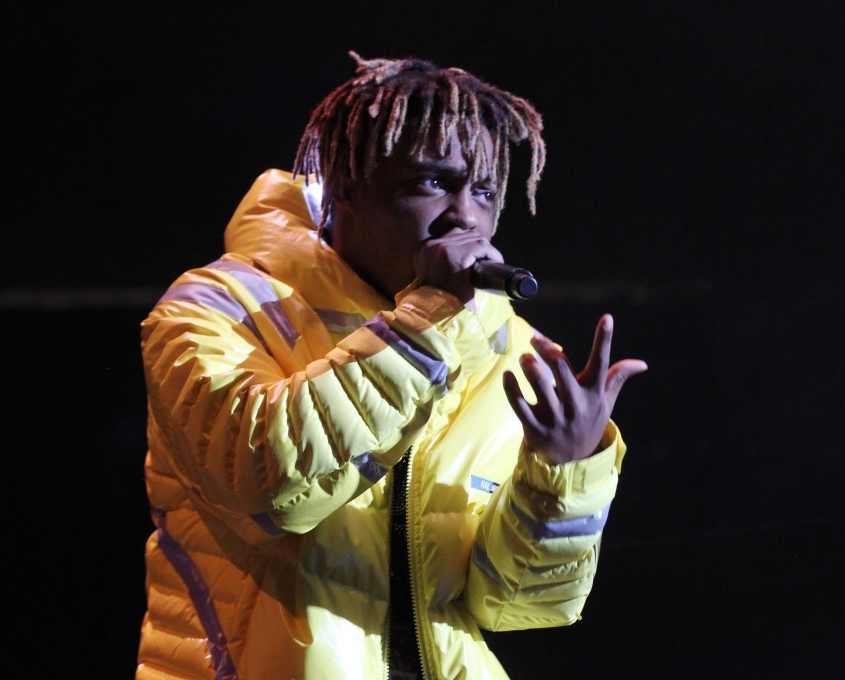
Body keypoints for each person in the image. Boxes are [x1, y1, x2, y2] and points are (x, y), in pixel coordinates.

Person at [136, 50, 648, 680]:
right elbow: (266, 490)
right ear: (346, 188)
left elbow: (519, 608)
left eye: (484, 190)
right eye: (431, 183)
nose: (466, 216)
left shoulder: (509, 350)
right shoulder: (219, 308)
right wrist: (425, 319)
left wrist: (562, 475)